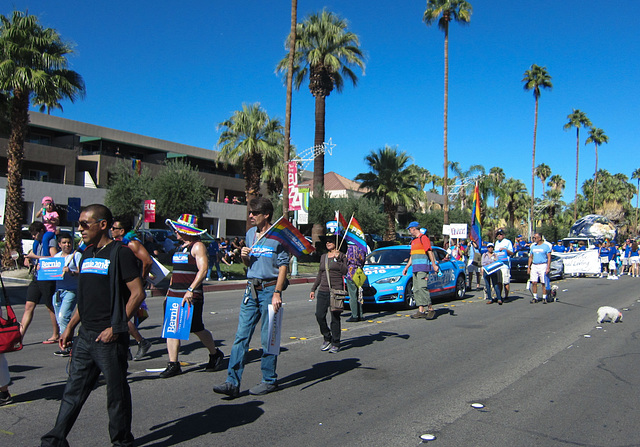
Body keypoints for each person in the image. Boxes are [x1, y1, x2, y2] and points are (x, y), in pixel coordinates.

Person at [41, 204, 146, 447]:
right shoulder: (87, 254)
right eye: (79, 224)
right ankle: (55, 440)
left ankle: (122, 442)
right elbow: (85, 298)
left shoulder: (120, 253)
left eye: (85, 224)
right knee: (72, 391)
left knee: (116, 394)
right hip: (84, 336)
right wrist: (69, 327)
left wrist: (115, 326)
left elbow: (137, 293)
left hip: (109, 339)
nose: (80, 229)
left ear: (103, 225)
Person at [213, 197, 289, 398]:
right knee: (241, 336)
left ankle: (269, 380)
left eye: (254, 213)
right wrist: (245, 256)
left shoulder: (278, 236)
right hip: (251, 290)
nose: (251, 216)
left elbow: (283, 267)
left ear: (266, 215)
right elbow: (249, 265)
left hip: (270, 290)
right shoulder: (249, 234)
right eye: (250, 212)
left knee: (268, 338)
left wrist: (277, 293)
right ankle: (232, 381)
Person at [159, 214, 225, 378]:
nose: (175, 232)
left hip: (190, 295)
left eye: (178, 229)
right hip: (175, 294)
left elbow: (203, 270)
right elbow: (175, 273)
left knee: (197, 328)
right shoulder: (180, 247)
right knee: (171, 329)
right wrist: (169, 291)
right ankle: (173, 364)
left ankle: (215, 353)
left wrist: (190, 290)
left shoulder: (197, 246)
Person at [111, 218, 153, 362]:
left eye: (114, 228)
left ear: (121, 231)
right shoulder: (117, 244)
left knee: (122, 316)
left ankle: (142, 342)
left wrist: (142, 279)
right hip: (121, 283)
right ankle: (125, 349)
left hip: (132, 284)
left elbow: (147, 261)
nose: (111, 230)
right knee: (119, 315)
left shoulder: (132, 244)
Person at [21, 221, 59, 343]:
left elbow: (54, 257)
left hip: (47, 278)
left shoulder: (50, 240)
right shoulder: (37, 244)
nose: (33, 237)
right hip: (37, 277)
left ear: (41, 231)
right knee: (29, 306)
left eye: (34, 234)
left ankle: (56, 334)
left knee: (50, 306)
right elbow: (35, 258)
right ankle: (19, 337)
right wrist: (29, 261)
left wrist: (35, 257)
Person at [310, 236, 347, 352]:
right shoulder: (323, 257)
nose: (328, 243)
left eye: (330, 241)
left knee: (335, 318)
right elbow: (320, 274)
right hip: (323, 290)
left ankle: (336, 342)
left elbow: (345, 271)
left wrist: (338, 260)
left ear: (336, 243)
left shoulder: (341, 256)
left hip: (336, 290)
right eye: (327, 241)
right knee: (319, 315)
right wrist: (313, 289)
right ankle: (327, 337)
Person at [51, 233, 82, 357]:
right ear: (59, 244)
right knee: (60, 318)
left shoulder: (76, 255)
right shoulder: (57, 257)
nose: (67, 245)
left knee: (64, 316)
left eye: (69, 242)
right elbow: (50, 271)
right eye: (64, 243)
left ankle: (66, 345)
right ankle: (69, 341)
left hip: (71, 290)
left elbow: (82, 272)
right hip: (58, 291)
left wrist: (71, 272)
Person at [401, 222, 439, 320]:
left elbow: (429, 251)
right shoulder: (413, 241)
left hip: (423, 268)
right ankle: (421, 310)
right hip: (415, 268)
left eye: (410, 229)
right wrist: (406, 267)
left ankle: (430, 309)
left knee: (422, 288)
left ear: (414, 229)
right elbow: (412, 256)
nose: (409, 232)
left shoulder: (424, 238)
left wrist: (434, 265)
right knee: (416, 289)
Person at [345, 241, 366, 322]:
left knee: (352, 294)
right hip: (359, 271)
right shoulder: (362, 248)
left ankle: (354, 315)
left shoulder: (348, 248)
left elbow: (346, 260)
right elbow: (363, 260)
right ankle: (360, 314)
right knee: (359, 293)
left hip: (351, 271)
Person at [527, 233, 552, 303]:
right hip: (534, 265)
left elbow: (549, 257)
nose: (534, 239)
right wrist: (529, 267)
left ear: (539, 238)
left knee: (543, 282)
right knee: (534, 282)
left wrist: (548, 267)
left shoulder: (546, 246)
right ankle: (535, 297)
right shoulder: (533, 247)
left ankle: (544, 297)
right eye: (533, 238)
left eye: (535, 238)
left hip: (543, 265)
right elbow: (531, 257)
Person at [494, 229, 514, 300]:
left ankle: (506, 296)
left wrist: (505, 249)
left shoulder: (507, 242)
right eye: (498, 234)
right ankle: (499, 296)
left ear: (503, 235)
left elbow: (512, 253)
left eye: (501, 234)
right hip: (498, 264)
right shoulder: (496, 242)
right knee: (499, 281)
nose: (499, 235)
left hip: (505, 265)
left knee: (506, 281)